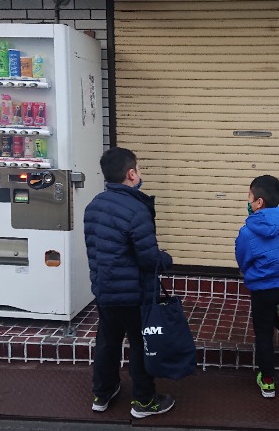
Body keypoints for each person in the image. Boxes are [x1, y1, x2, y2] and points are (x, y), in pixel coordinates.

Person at [84, 147, 175, 418]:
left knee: (107, 341)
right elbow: (148, 259)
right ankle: (145, 402)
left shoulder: (94, 205)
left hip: (104, 290)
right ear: (131, 173)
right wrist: (165, 259)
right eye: (139, 169)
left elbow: (95, 249)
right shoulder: (137, 209)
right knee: (139, 343)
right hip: (133, 294)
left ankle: (102, 393)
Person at [235, 175, 279, 398]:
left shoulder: (247, 232)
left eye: (250, 197)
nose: (248, 202)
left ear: (259, 202)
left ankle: (267, 381)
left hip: (262, 290)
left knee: (263, 334)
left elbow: (243, 261)